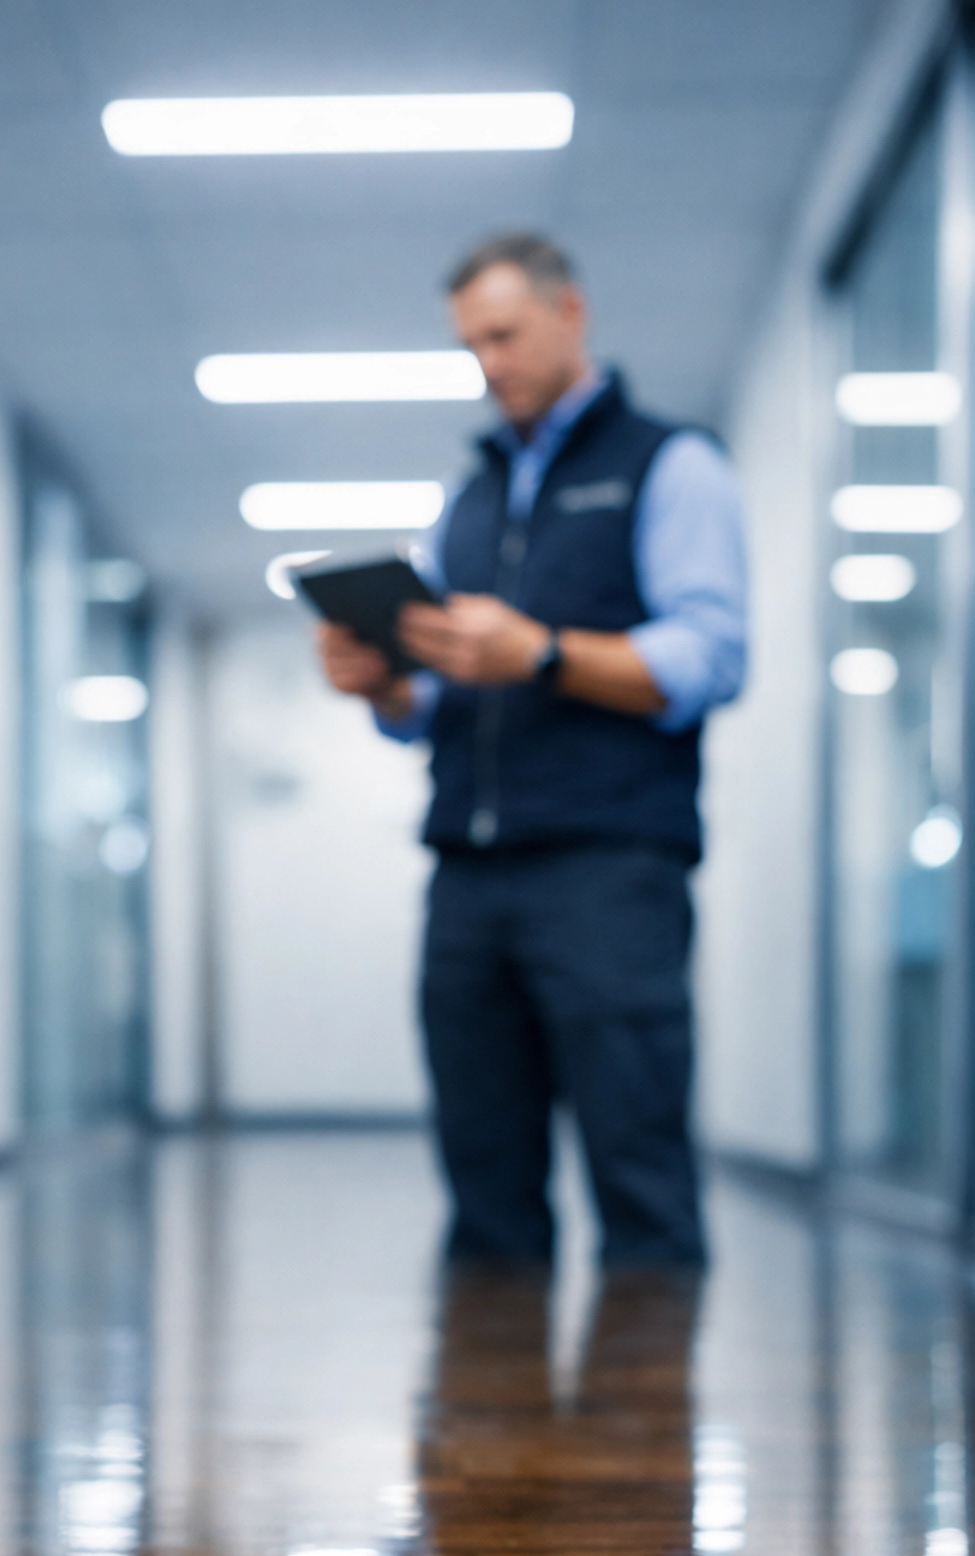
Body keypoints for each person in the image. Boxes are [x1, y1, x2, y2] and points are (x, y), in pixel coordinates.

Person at [317, 234, 748, 1268]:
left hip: (609, 870)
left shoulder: (669, 465)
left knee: (637, 1170)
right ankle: (489, 1430)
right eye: (472, 346)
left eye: (504, 335)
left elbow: (711, 658)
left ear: (571, 315)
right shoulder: (463, 504)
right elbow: (435, 703)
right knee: (483, 1180)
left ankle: (645, 1423)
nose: (491, 363)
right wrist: (385, 687)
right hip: (468, 878)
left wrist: (541, 652)